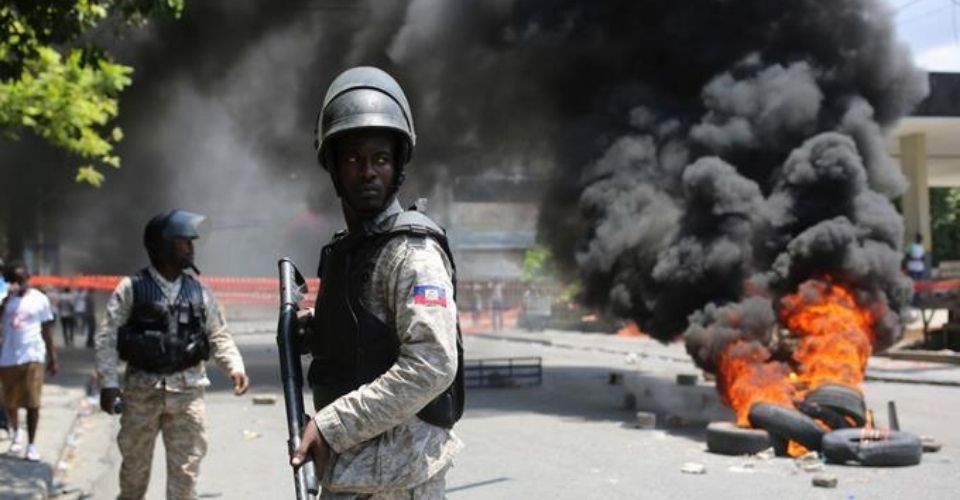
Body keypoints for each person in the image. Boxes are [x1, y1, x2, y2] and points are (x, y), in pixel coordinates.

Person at [291, 66, 464, 499]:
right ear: (332, 167)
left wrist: (332, 425)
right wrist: (313, 330)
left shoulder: (413, 253)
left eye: (380, 159)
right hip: (349, 474)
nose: (368, 172)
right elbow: (366, 335)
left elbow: (431, 364)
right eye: (353, 159)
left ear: (398, 166)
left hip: (400, 479)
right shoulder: (351, 249)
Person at [95, 210, 250, 500]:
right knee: (133, 477)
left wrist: (235, 367)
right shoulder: (132, 289)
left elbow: (218, 334)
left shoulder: (200, 293)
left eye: (192, 242)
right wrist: (108, 383)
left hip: (187, 395)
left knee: (186, 477)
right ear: (162, 245)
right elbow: (108, 337)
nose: (191, 248)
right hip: (142, 394)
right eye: (184, 242)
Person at [0, 261, 58, 461]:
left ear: (28, 279)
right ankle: (17, 432)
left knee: (33, 402)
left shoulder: (40, 299)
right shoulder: (5, 300)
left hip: (33, 354)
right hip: (8, 356)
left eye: (21, 279)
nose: (18, 283)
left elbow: (47, 329)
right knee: (10, 401)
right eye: (14, 280)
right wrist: (6, 300)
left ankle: (32, 445)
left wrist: (53, 357)